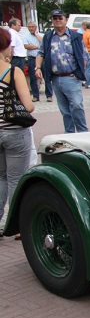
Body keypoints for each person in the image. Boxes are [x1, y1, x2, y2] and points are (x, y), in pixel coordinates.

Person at [0, 27, 35, 235]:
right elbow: (28, 106)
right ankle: (17, 226)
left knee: (1, 177)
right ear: (5, 46)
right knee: (16, 178)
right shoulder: (12, 71)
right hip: (14, 131)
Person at [35, 9, 89, 133]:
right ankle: (69, 133)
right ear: (52, 21)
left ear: (65, 20)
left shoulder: (75, 36)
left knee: (76, 106)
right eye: (55, 18)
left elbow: (84, 57)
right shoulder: (48, 37)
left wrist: (78, 73)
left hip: (71, 77)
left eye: (60, 18)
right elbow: (40, 53)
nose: (58, 20)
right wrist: (37, 67)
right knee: (64, 109)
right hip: (55, 78)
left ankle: (83, 133)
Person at [23, 22, 43, 102]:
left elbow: (44, 43)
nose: (31, 28)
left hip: (42, 58)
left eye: (32, 27)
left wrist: (37, 35)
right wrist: (37, 46)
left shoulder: (41, 35)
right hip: (31, 58)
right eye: (29, 27)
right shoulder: (26, 36)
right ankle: (35, 96)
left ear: (36, 27)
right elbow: (26, 46)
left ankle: (49, 95)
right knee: (32, 78)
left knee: (46, 77)